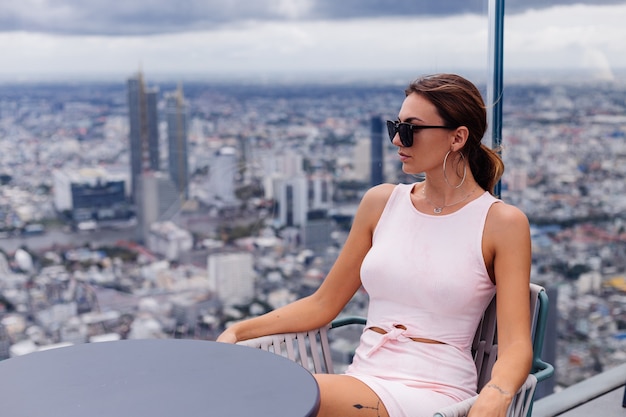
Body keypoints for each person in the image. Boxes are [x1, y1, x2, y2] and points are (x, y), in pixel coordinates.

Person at [217, 73, 532, 417]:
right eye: (394, 126)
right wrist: (238, 331)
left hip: (434, 393)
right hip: (364, 379)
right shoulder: (381, 203)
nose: (397, 139)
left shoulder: (501, 223)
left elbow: (517, 343)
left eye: (411, 129)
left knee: (280, 395)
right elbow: (323, 304)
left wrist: (497, 394)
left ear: (457, 138)